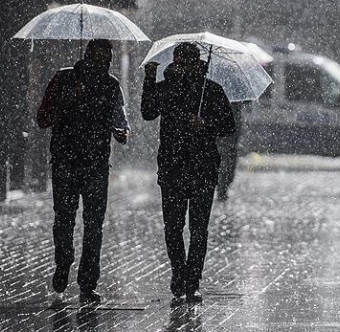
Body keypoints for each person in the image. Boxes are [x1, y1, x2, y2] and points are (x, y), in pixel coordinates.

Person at [141, 43, 236, 304]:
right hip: (172, 167)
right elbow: (148, 112)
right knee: (173, 227)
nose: (180, 67)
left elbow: (228, 126)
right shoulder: (166, 87)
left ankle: (193, 281)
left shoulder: (211, 90)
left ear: (197, 64)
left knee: (198, 229)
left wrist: (205, 123)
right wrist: (149, 80)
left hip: (203, 168)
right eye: (177, 62)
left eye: (185, 63)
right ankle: (178, 272)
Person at [37, 39, 129, 304]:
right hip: (66, 163)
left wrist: (121, 132)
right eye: (98, 60)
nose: (103, 65)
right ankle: (63, 262)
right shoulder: (64, 79)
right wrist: (69, 98)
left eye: (107, 61)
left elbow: (120, 120)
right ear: (87, 57)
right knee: (64, 219)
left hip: (96, 165)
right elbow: (43, 118)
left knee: (94, 225)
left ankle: (88, 282)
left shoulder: (111, 85)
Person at [216, 101, 247, 202]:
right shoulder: (223, 105)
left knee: (228, 165)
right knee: (225, 164)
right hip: (224, 141)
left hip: (230, 142)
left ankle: (222, 186)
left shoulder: (236, 108)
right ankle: (222, 187)